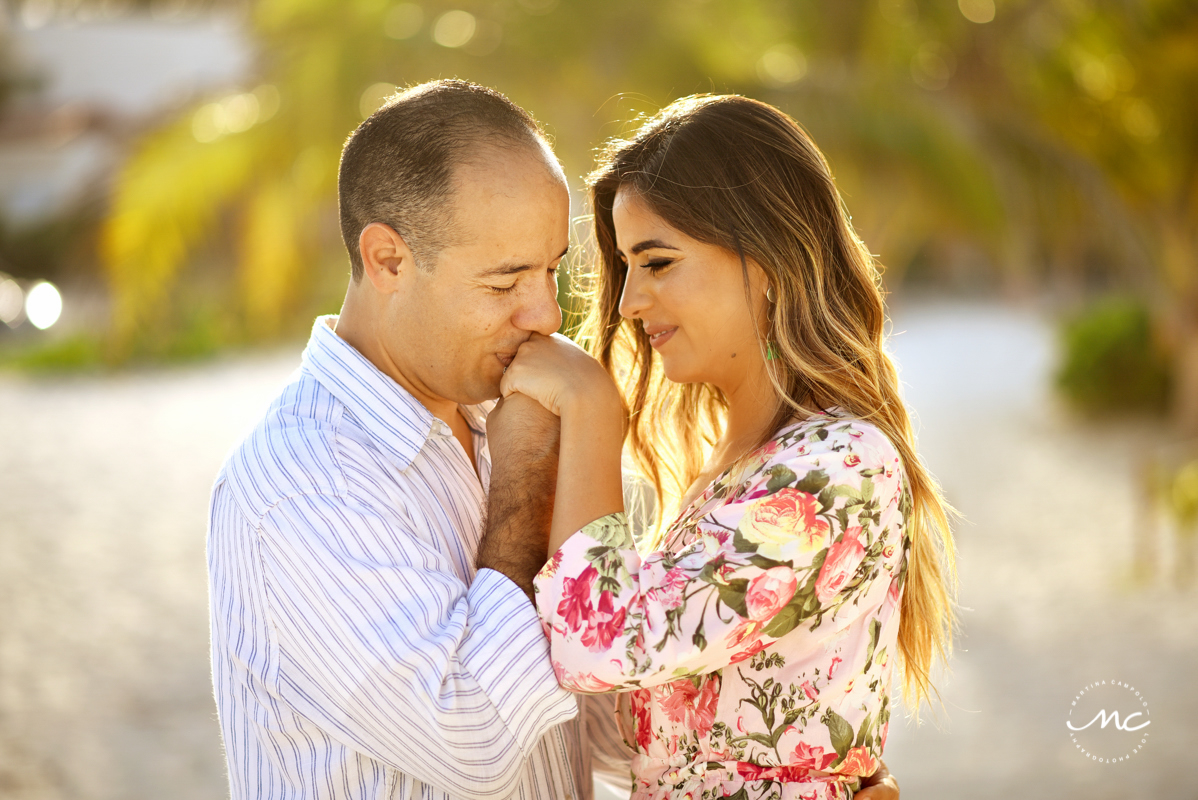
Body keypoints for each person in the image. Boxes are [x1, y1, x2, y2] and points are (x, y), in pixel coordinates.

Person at [208, 79, 899, 800]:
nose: (543, 315)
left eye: (551, 272)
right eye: (505, 282)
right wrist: (530, 477)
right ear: (388, 261)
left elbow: (606, 725)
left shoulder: (507, 419)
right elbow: (476, 743)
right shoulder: (301, 482)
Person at [495, 94, 954, 799]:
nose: (628, 305)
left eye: (658, 262)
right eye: (627, 267)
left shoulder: (833, 468)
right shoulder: (742, 466)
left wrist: (589, 407)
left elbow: (603, 644)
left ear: (765, 259)